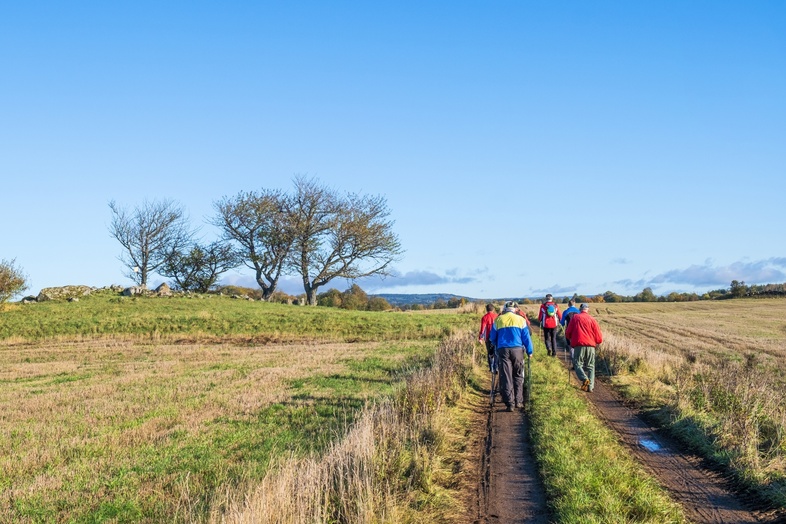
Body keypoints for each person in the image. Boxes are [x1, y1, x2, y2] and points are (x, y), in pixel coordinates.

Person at [490, 301, 534, 411]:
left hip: (503, 350)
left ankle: (510, 403)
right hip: (518, 350)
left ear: (505, 309)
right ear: (515, 309)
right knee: (518, 375)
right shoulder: (521, 320)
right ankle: (519, 401)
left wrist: (496, 345)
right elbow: (526, 338)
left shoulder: (499, 320)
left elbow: (492, 337)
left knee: (506, 376)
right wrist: (530, 351)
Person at [564, 303, 603, 393]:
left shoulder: (575, 318)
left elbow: (568, 331)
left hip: (579, 344)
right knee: (591, 366)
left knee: (577, 363)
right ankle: (590, 387)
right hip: (591, 345)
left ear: (580, 309)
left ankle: (584, 378)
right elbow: (598, 335)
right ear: (588, 310)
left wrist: (570, 339)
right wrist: (598, 341)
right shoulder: (592, 319)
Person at [478, 303, 498, 373]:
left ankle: (491, 368)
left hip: (488, 337)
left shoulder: (484, 317)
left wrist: (480, 338)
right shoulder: (497, 316)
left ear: (486, 309)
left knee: (490, 353)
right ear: (493, 309)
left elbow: (482, 329)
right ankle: (496, 367)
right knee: (496, 352)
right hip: (497, 337)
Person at [560, 299, 581, 364]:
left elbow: (562, 323)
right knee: (578, 347)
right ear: (575, 304)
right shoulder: (579, 311)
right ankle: (579, 361)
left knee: (571, 346)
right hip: (578, 331)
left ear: (568, 304)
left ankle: (574, 363)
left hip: (569, 331)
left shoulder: (566, 312)